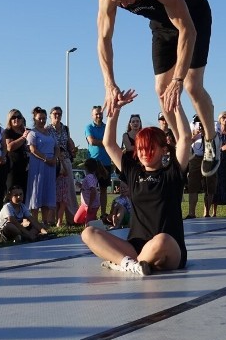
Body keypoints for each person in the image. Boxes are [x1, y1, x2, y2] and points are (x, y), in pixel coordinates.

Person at [94, 0, 219, 178]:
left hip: (193, 19)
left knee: (191, 85)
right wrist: (109, 83)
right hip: (162, 25)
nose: (123, 5)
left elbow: (187, 30)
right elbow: (104, 39)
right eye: (117, 2)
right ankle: (181, 143)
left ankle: (210, 139)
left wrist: (178, 79)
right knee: (161, 89)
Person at [80, 88, 190, 276]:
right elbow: (109, 144)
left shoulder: (172, 172)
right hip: (135, 247)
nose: (145, 153)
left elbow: (185, 138)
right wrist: (115, 110)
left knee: (161, 240)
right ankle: (131, 264)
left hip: (168, 250)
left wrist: (176, 105)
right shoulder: (133, 171)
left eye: (150, 148)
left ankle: (124, 264)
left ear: (164, 150)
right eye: (140, 148)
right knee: (88, 233)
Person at [26, 106, 59, 226]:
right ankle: (34, 221)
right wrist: (46, 159)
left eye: (44, 118)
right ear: (34, 119)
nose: (42, 121)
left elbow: (56, 147)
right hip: (38, 164)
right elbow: (32, 149)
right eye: (40, 118)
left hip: (51, 165)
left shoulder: (50, 133)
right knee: (36, 190)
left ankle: (45, 220)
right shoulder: (32, 133)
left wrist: (54, 159)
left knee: (47, 191)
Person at [48, 106, 77, 227]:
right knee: (53, 191)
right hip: (53, 161)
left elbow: (69, 141)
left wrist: (73, 149)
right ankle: (52, 219)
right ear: (50, 115)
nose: (57, 115)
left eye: (59, 114)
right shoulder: (47, 129)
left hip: (65, 160)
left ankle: (72, 218)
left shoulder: (65, 128)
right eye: (55, 113)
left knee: (68, 190)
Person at [185, 115, 217, 218]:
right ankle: (191, 212)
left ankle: (206, 212)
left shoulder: (214, 124)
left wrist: (206, 133)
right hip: (196, 157)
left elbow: (216, 140)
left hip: (209, 157)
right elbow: (186, 141)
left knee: (209, 185)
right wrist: (194, 135)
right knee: (193, 185)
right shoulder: (191, 125)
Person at [85, 105, 113, 218]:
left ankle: (103, 214)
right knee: (91, 189)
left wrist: (104, 142)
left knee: (103, 189)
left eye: (100, 113)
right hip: (93, 163)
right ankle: (91, 213)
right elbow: (91, 141)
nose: (98, 115)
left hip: (106, 162)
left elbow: (111, 140)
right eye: (96, 113)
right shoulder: (88, 127)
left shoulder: (107, 127)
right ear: (92, 115)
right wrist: (105, 142)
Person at [4, 109, 30, 208]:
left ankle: (22, 216)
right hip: (12, 167)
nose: (16, 119)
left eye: (19, 117)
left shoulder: (27, 131)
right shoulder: (8, 132)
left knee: (23, 192)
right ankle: (8, 216)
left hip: (26, 166)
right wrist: (23, 138)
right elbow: (10, 147)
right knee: (11, 192)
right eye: (13, 117)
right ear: (9, 120)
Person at [74, 158, 101, 226]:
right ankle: (91, 219)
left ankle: (93, 221)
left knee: (88, 226)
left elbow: (93, 191)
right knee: (77, 220)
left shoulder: (89, 177)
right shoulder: (91, 176)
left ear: (86, 167)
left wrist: (90, 206)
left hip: (92, 205)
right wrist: (81, 185)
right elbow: (87, 188)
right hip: (85, 204)